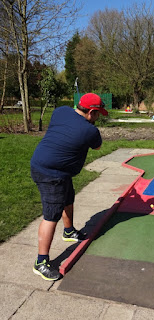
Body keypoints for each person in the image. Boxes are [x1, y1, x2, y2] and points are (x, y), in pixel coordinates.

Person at [30, 93, 108, 281]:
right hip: (51, 174)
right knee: (51, 215)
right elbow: (97, 147)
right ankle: (41, 262)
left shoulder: (61, 111)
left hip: (50, 166)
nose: (98, 118)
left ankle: (69, 231)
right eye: (98, 114)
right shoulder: (90, 131)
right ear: (91, 112)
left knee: (68, 198)